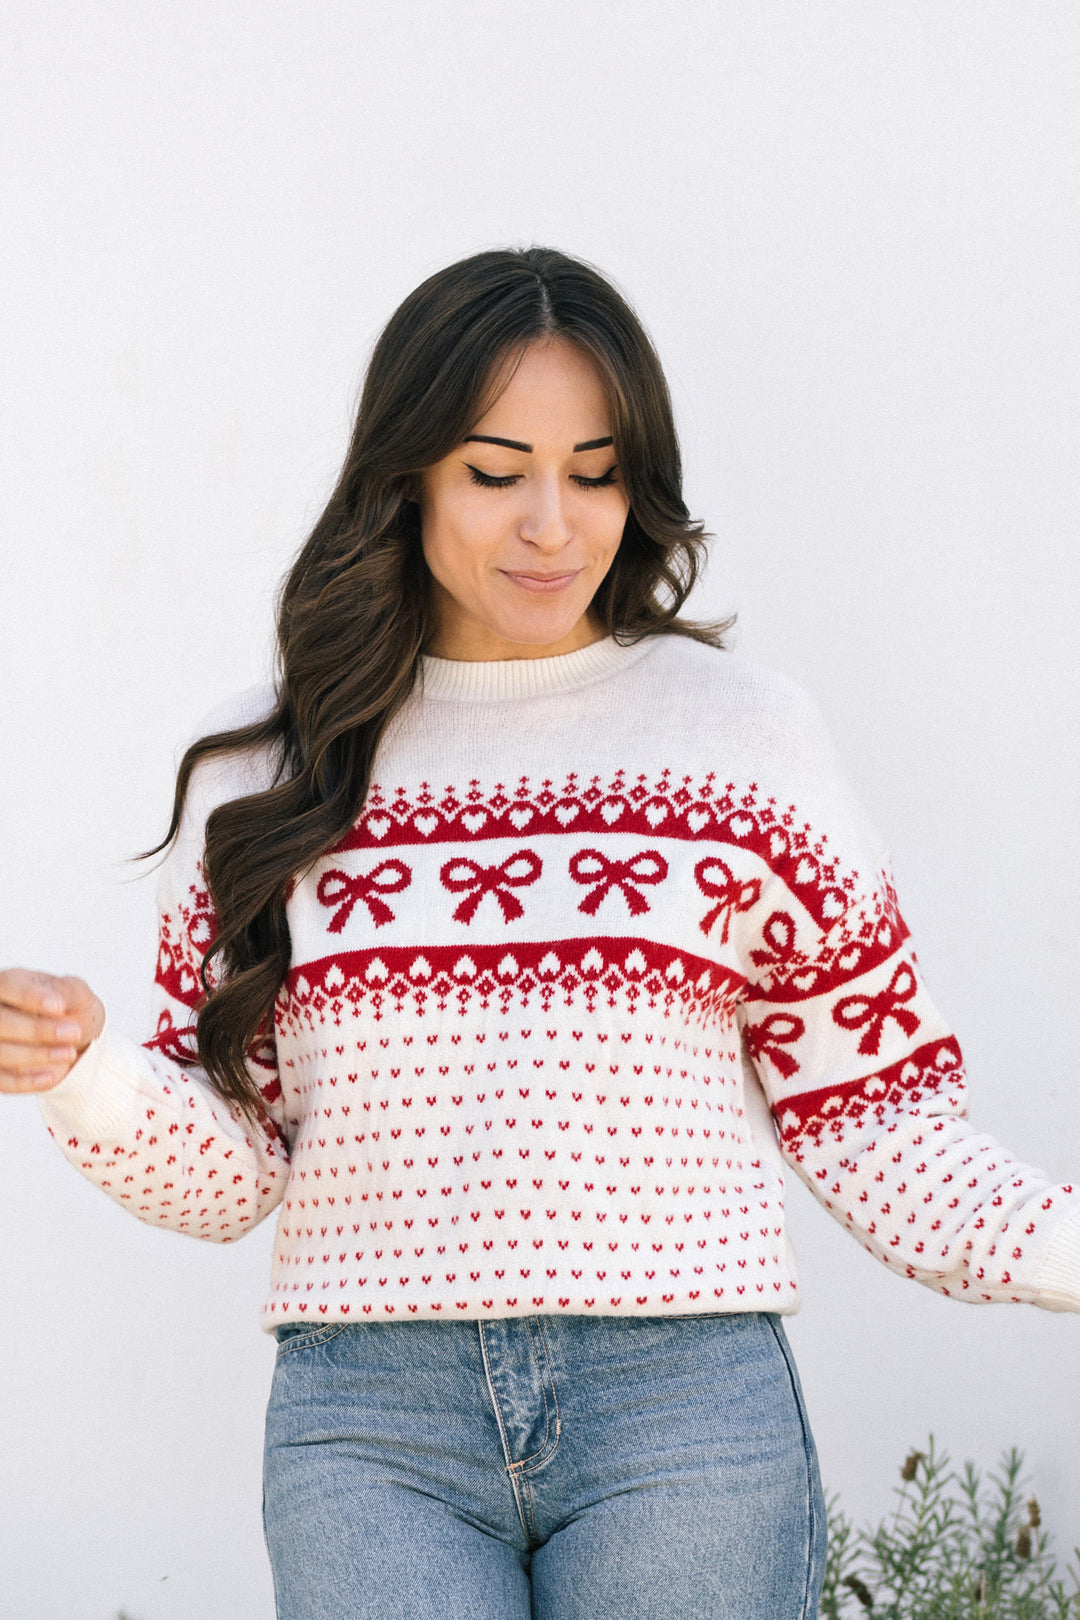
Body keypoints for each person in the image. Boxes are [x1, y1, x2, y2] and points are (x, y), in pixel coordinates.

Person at [2, 246, 1077, 1620]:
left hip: (683, 1412)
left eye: (598, 473)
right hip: (370, 1430)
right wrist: (85, 1072)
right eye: (497, 473)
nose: (554, 526)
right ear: (406, 477)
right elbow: (234, 1170)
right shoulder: (265, 778)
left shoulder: (743, 743)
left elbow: (877, 1120)